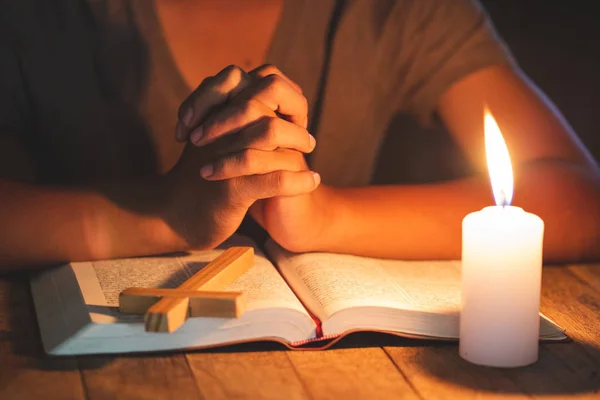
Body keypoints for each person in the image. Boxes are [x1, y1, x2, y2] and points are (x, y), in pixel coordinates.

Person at [0, 0, 598, 270]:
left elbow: (578, 195)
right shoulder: (40, 15)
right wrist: (164, 213)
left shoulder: (394, 11)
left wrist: (323, 215)